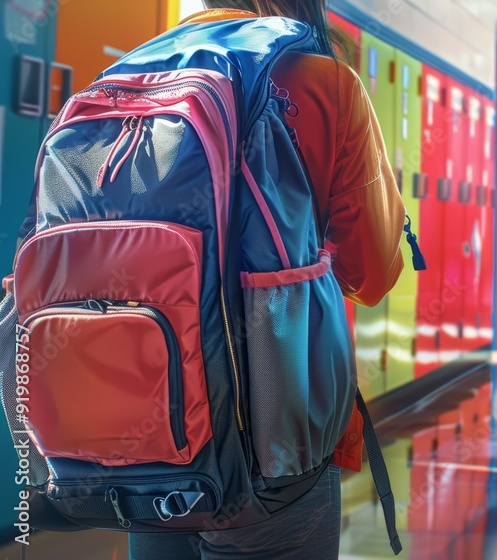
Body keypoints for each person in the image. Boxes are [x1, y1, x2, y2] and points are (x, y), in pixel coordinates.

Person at [128, 2, 405, 558]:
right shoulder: (325, 81)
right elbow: (370, 273)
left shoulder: (133, 71)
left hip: (146, 417)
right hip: (271, 433)